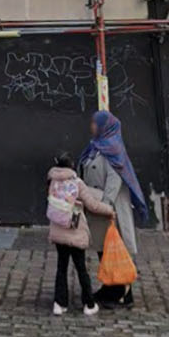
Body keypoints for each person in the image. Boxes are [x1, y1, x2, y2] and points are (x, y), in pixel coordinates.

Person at [79, 109, 145, 308]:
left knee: (115, 250)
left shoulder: (114, 150)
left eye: (95, 123)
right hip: (97, 207)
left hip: (110, 210)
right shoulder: (95, 148)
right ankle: (110, 287)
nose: (91, 126)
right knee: (103, 250)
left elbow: (114, 181)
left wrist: (105, 206)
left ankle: (123, 292)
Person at [45, 153, 114, 316]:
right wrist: (109, 211)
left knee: (61, 267)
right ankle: (89, 303)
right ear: (72, 166)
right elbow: (93, 205)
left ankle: (59, 303)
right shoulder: (77, 183)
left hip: (58, 230)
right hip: (75, 231)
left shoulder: (52, 181)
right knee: (81, 268)